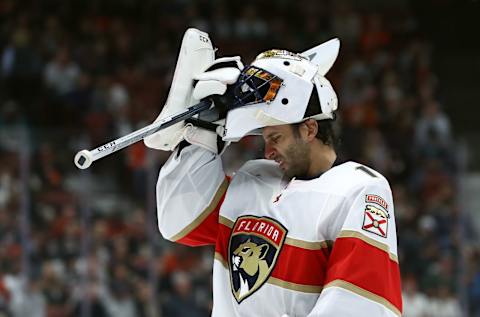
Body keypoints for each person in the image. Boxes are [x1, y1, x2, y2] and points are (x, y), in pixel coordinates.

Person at [146, 29, 402, 316]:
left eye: (276, 138)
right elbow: (177, 222)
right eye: (264, 139)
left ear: (309, 129)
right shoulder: (252, 178)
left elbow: (359, 306)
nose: (267, 151)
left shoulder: (359, 189)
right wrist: (204, 132)